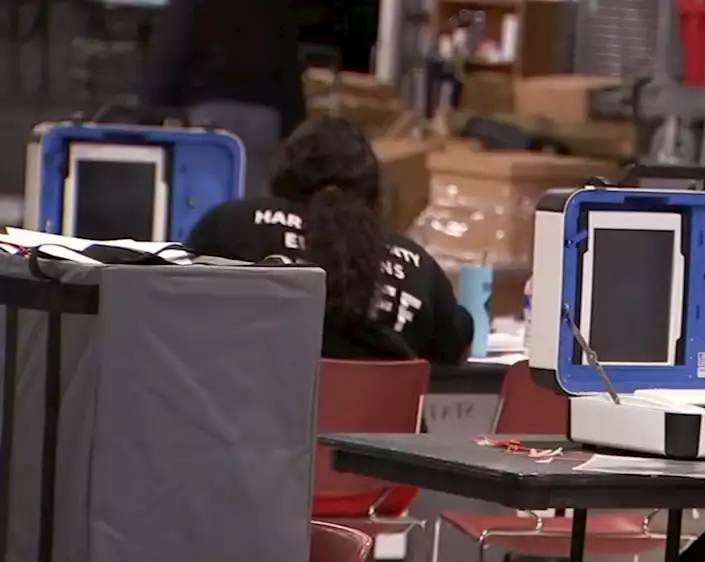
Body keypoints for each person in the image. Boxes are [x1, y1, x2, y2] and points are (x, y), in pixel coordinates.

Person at [186, 117, 473, 363]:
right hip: (377, 425)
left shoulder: (230, 225)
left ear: (281, 175)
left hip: (251, 422)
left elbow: (177, 315)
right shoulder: (417, 265)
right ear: (374, 191)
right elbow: (456, 347)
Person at [140, 0, 305, 194]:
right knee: (253, 204)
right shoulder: (274, 5)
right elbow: (289, 68)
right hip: (264, 118)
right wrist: (295, 128)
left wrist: (150, 112)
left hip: (208, 114)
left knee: (202, 202)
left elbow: (169, 56)